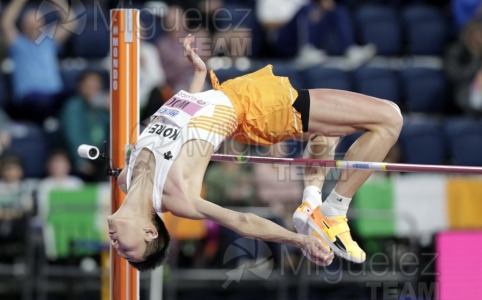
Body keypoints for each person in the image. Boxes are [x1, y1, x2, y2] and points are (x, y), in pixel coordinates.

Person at [107, 34, 402, 271]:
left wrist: (197, 76)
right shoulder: (178, 197)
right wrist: (299, 241)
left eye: (121, 251)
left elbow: (183, 120)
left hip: (238, 96)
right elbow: (242, 222)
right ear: (150, 232)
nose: (117, 247)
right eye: (127, 251)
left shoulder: (125, 178)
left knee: (334, 127)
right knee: (389, 118)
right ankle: (333, 212)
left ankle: (311, 202)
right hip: (256, 109)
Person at [1, 0, 78, 123]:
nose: (33, 26)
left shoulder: (49, 41)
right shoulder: (17, 44)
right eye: (29, 23)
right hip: (30, 100)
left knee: (76, 100)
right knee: (40, 105)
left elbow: (72, 23)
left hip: (55, 96)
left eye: (37, 22)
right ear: (22, 25)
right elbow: (6, 23)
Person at [60, 70, 110, 181]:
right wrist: (80, 161)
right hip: (81, 156)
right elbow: (73, 136)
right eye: (89, 86)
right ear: (80, 87)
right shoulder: (73, 107)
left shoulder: (103, 108)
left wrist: (114, 109)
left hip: (101, 156)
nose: (93, 90)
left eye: (96, 87)